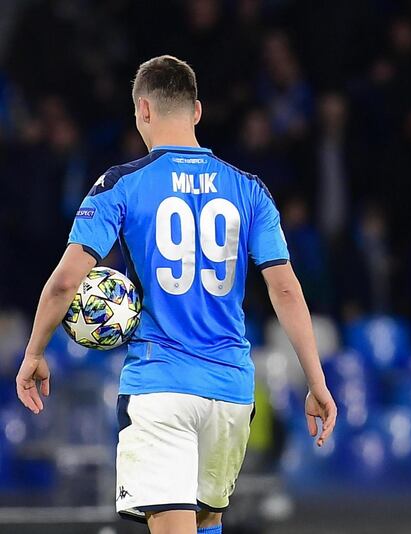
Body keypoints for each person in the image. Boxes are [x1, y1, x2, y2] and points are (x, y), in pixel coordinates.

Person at [14, 56, 337, 534]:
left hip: (160, 384)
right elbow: (285, 288)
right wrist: (317, 380)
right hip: (230, 391)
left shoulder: (119, 185)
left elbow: (65, 281)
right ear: (198, 112)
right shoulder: (250, 190)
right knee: (208, 522)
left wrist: (35, 351)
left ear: (142, 110)